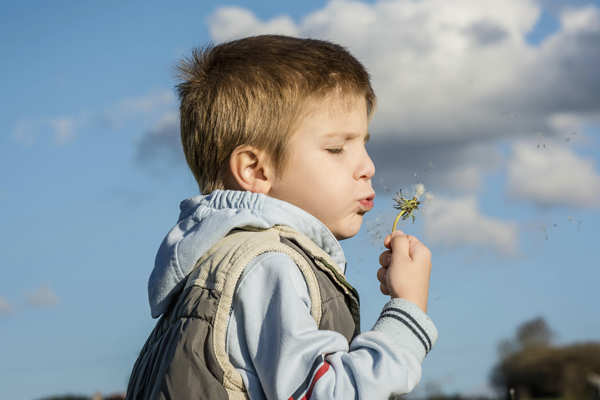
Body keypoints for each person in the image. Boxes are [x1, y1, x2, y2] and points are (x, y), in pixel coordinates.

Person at [126, 34, 437, 400]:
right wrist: (407, 310)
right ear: (255, 170)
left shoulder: (215, 265)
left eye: (363, 144)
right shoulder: (267, 265)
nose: (367, 167)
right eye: (336, 148)